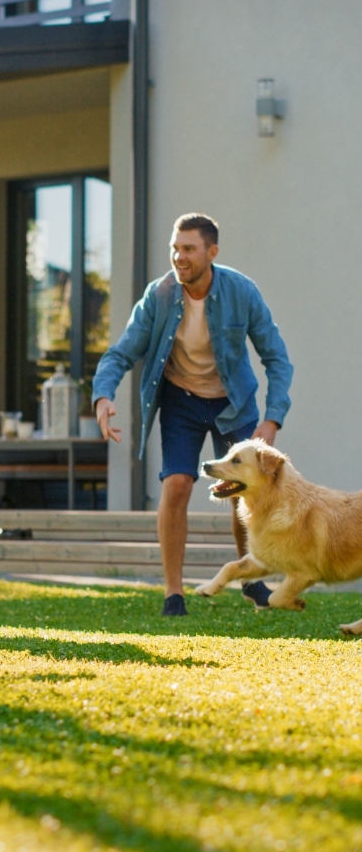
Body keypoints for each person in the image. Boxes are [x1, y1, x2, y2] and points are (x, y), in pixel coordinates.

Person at [93, 213, 293, 616]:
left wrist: (271, 418)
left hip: (233, 401)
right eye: (174, 248)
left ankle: (251, 579)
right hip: (182, 400)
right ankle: (173, 593)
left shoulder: (241, 291)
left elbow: (277, 358)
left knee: (246, 491)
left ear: (211, 252)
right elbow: (121, 352)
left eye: (188, 249)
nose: (178, 257)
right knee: (177, 485)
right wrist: (103, 395)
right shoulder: (159, 295)